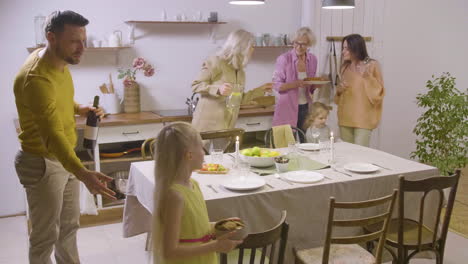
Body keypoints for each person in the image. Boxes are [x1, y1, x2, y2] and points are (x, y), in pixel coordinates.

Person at [13, 10, 116, 264]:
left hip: (65, 160)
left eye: (84, 40)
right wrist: (83, 173)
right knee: (44, 236)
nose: (82, 48)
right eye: (74, 41)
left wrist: (79, 108)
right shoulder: (36, 78)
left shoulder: (57, 61)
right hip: (43, 162)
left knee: (69, 228)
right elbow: (52, 136)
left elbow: (59, 99)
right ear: (51, 37)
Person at [152, 122, 242, 264]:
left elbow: (192, 227)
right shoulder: (175, 196)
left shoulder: (193, 184)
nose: (204, 152)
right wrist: (215, 246)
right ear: (189, 155)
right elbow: (169, 251)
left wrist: (217, 226)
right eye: (201, 147)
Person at [191, 29, 272, 134]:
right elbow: (196, 85)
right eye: (251, 46)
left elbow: (238, 100)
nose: (253, 50)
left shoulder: (240, 71)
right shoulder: (216, 61)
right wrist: (217, 89)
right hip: (207, 126)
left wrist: (260, 90)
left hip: (227, 126)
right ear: (241, 47)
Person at [334, 34, 384, 147]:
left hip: (363, 119)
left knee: (360, 155)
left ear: (356, 48)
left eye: (346, 48)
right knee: (347, 153)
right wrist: (339, 90)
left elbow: (378, 94)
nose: (343, 51)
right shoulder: (344, 67)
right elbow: (338, 97)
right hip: (345, 118)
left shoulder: (371, 65)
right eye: (343, 48)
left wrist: (366, 76)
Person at [272, 27, 322, 138]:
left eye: (303, 44)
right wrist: (296, 84)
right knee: (289, 142)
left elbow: (310, 86)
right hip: (287, 107)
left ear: (309, 44)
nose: (299, 47)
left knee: (306, 140)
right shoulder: (284, 59)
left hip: (305, 106)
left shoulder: (312, 59)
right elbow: (277, 85)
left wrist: (316, 85)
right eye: (296, 43)